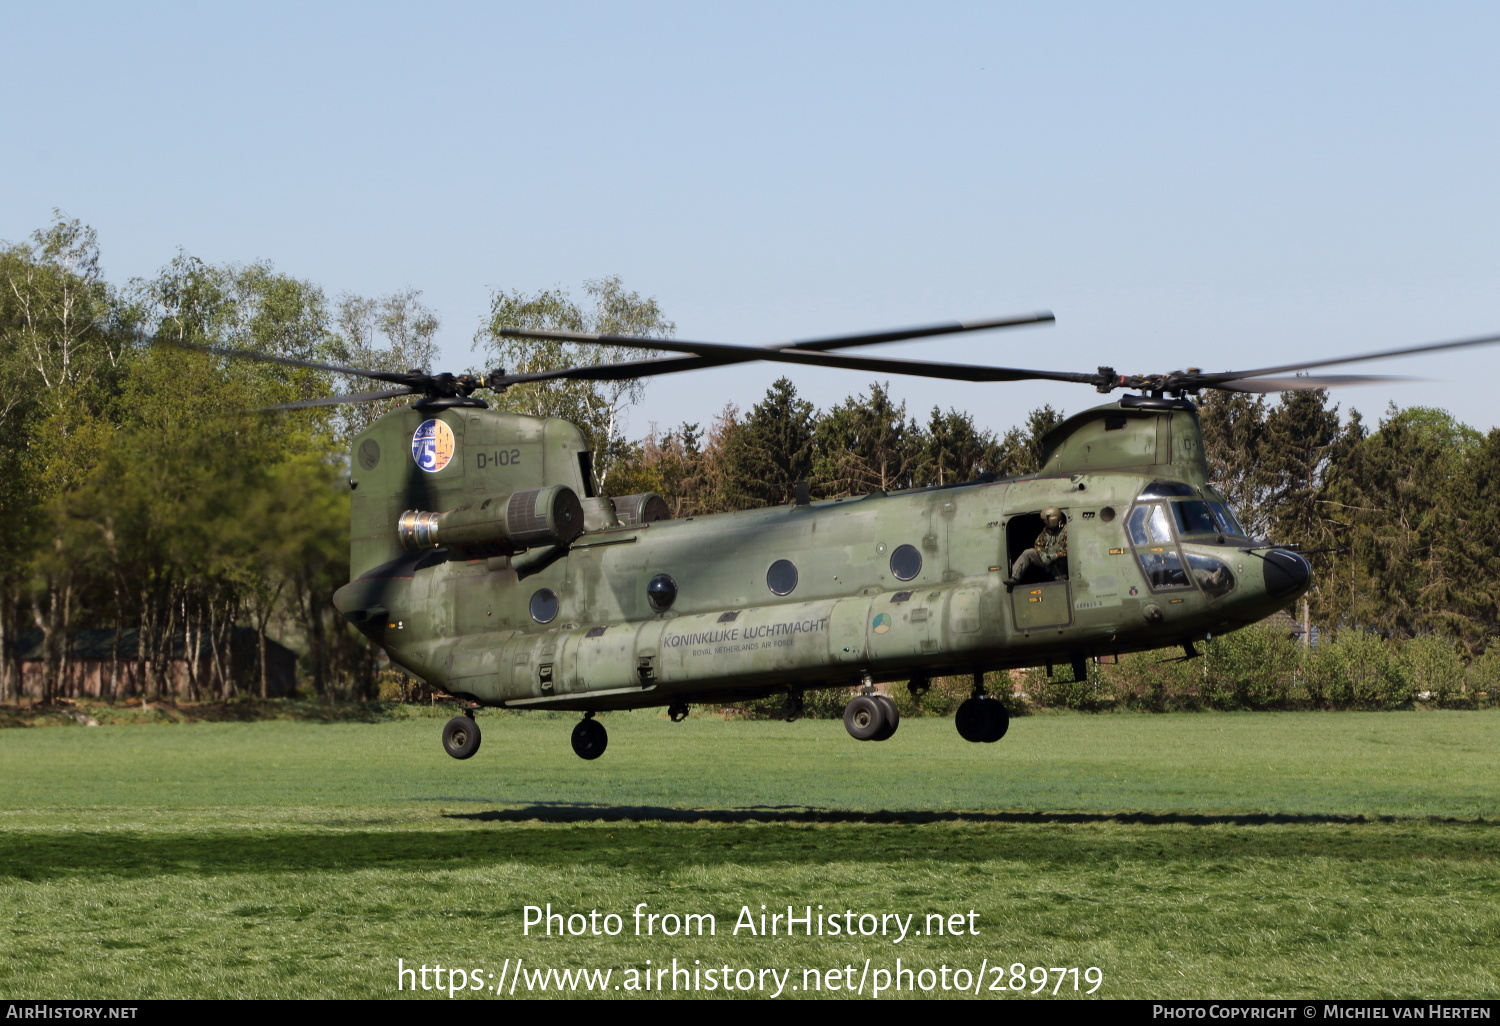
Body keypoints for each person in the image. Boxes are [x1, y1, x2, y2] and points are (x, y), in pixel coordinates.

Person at [1004, 507, 1067, 587]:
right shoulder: (1046, 531)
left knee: (1061, 584)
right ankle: (1015, 577)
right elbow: (1038, 544)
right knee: (1028, 553)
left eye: (1046, 520)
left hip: (1061, 562)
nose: (1045, 523)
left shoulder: (1066, 531)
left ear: (1052, 520)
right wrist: (1042, 554)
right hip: (1046, 559)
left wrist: (1055, 556)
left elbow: (1069, 550)